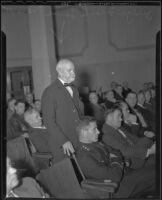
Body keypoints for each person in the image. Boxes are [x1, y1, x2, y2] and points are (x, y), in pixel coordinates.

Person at [75, 117, 156, 198]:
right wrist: (117, 160)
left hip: (124, 173)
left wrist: (124, 160)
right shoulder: (84, 156)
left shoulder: (95, 143)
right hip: (116, 188)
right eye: (94, 129)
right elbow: (114, 176)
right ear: (84, 132)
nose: (98, 132)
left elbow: (116, 151)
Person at [41, 59, 84, 163]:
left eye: (73, 70)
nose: (73, 73)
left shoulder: (74, 89)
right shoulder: (50, 91)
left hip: (78, 138)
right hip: (62, 143)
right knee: (67, 175)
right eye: (69, 70)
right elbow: (48, 121)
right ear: (60, 72)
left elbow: (78, 114)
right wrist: (63, 141)